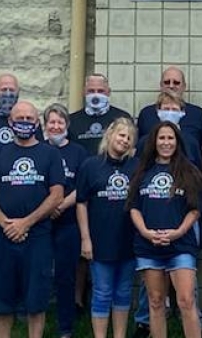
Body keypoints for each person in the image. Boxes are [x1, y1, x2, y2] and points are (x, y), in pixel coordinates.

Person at [0, 100, 66, 338]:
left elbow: (57, 195)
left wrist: (25, 223)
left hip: (37, 237)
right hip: (3, 237)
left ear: (37, 122)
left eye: (29, 119)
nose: (24, 123)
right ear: (10, 121)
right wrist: (7, 224)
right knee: (2, 300)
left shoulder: (50, 154)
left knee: (36, 301)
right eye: (20, 119)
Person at [132, 68, 202, 333]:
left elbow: (195, 208)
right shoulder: (143, 169)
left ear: (178, 141)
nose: (166, 142)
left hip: (181, 244)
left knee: (186, 300)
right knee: (155, 301)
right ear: (154, 140)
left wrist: (177, 232)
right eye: (161, 138)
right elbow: (133, 206)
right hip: (149, 243)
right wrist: (145, 232)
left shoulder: (189, 170)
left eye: (170, 138)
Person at [77, 117, 139, 338]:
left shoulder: (137, 166)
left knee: (123, 292)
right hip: (100, 241)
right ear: (110, 134)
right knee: (102, 292)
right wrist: (85, 238)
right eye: (121, 135)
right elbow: (81, 203)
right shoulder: (90, 166)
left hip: (128, 241)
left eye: (129, 138)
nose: (125, 140)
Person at [45, 103, 92, 338]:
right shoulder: (39, 150)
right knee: (40, 274)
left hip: (69, 222)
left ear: (67, 125)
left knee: (66, 276)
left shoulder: (79, 152)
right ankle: (34, 319)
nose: (56, 126)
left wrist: (60, 205)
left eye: (60, 122)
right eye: (51, 122)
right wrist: (47, 209)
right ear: (45, 126)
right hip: (41, 224)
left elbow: (82, 186)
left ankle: (66, 327)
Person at [137, 68, 202, 168]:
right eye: (167, 82)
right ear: (161, 85)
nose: (171, 86)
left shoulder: (198, 114)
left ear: (184, 86)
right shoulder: (146, 114)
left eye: (176, 82)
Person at [70, 73, 133, 155]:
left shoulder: (123, 118)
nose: (96, 95)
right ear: (84, 92)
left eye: (100, 91)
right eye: (91, 91)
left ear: (108, 92)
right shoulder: (72, 120)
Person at [0, 74, 21, 144]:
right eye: (4, 90)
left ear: (18, 92)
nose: (8, 94)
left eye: (12, 90)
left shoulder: (28, 120)